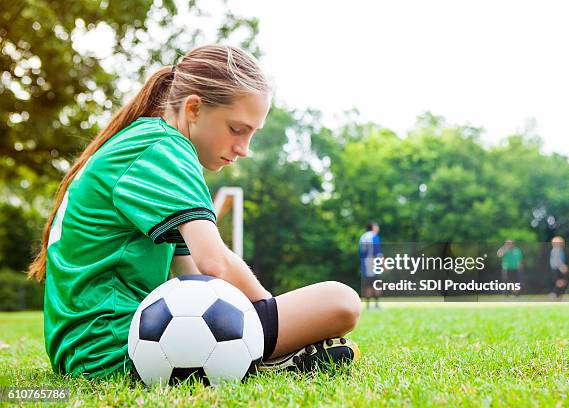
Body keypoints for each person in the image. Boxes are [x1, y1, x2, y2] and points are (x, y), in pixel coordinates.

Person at [27, 45, 361, 380]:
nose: (244, 149)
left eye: (252, 134)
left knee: (325, 306)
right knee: (341, 301)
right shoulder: (163, 148)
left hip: (85, 351)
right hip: (114, 348)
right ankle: (267, 358)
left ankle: (250, 357)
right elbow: (213, 264)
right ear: (194, 108)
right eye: (237, 129)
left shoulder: (143, 143)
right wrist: (272, 317)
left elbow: (192, 274)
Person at [358, 222, 383, 309]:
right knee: (377, 284)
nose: (378, 228)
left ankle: (368, 306)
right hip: (373, 263)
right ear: (373, 227)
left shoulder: (363, 237)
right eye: (377, 226)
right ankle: (376, 305)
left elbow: (360, 252)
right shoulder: (374, 236)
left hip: (364, 264)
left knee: (368, 284)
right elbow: (377, 252)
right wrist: (382, 263)